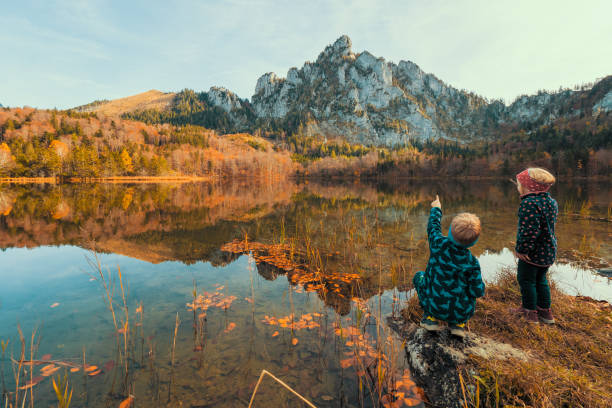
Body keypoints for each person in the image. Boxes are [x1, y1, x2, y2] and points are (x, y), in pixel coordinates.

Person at [413, 195, 485, 338]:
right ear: (473, 242)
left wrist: (436, 208)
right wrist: (480, 287)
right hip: (460, 310)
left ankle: (430, 318)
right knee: (468, 293)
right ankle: (458, 325)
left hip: (433, 304)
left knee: (419, 277)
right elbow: (477, 291)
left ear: (450, 232)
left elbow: (433, 227)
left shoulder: (438, 243)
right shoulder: (472, 263)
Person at [513, 168, 558, 324]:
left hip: (533, 252)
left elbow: (529, 231)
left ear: (528, 186)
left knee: (526, 280)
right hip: (548, 250)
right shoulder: (551, 202)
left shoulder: (528, 203)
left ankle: (530, 313)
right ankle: (546, 313)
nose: (518, 186)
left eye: (519, 183)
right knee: (541, 280)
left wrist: (521, 249)